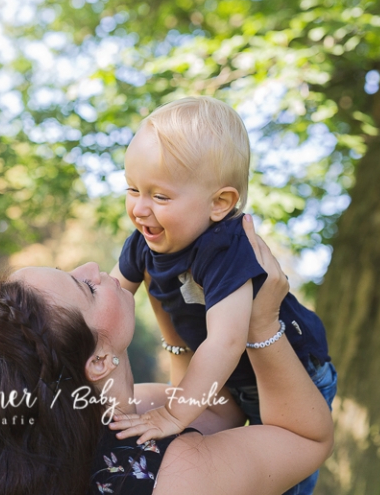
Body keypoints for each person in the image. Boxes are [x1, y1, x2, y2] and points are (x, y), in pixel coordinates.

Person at [0, 218, 334, 495]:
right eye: (84, 287)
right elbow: (307, 439)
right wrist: (262, 326)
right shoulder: (180, 475)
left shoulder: (114, 421)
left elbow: (217, 410)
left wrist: (171, 307)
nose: (92, 269)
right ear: (98, 361)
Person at [111, 97, 336, 494]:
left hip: (288, 374)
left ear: (220, 203)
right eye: (132, 189)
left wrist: (174, 413)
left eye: (159, 196)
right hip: (224, 383)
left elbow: (227, 339)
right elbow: (111, 299)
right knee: (190, 450)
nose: (140, 208)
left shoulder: (224, 247)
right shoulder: (144, 242)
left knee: (280, 480)